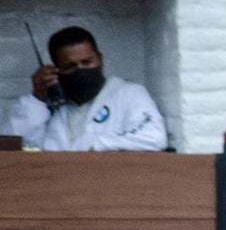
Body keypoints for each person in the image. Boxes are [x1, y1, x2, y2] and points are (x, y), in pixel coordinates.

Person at [2, 26, 167, 152]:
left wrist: (94, 143)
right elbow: (12, 147)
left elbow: (153, 137)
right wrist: (37, 100)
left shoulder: (128, 93)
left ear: (99, 59)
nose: (80, 70)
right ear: (56, 69)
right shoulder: (52, 107)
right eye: (70, 66)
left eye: (87, 62)